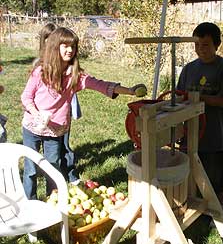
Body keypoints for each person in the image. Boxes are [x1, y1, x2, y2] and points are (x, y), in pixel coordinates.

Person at [21, 26, 147, 199]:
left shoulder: (75, 76)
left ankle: (52, 202)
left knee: (53, 168)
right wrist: (37, 114)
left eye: (73, 46)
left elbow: (102, 85)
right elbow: (26, 97)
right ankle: (30, 202)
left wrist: (130, 91)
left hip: (55, 130)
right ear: (54, 47)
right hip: (32, 127)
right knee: (30, 168)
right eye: (65, 46)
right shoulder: (40, 72)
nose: (70, 50)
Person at [177, 22, 223, 206]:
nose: (200, 50)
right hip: (190, 131)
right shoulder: (189, 68)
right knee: (189, 170)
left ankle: (219, 208)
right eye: (196, 45)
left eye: (205, 45)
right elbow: (179, 95)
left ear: (216, 45)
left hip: (214, 133)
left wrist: (197, 98)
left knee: (215, 174)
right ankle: (191, 200)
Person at [37, 23, 82, 184]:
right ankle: (52, 178)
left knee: (64, 146)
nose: (69, 50)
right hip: (44, 120)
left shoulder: (71, 69)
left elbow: (91, 82)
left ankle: (69, 174)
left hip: (63, 116)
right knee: (50, 151)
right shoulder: (40, 68)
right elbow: (30, 96)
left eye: (72, 46)